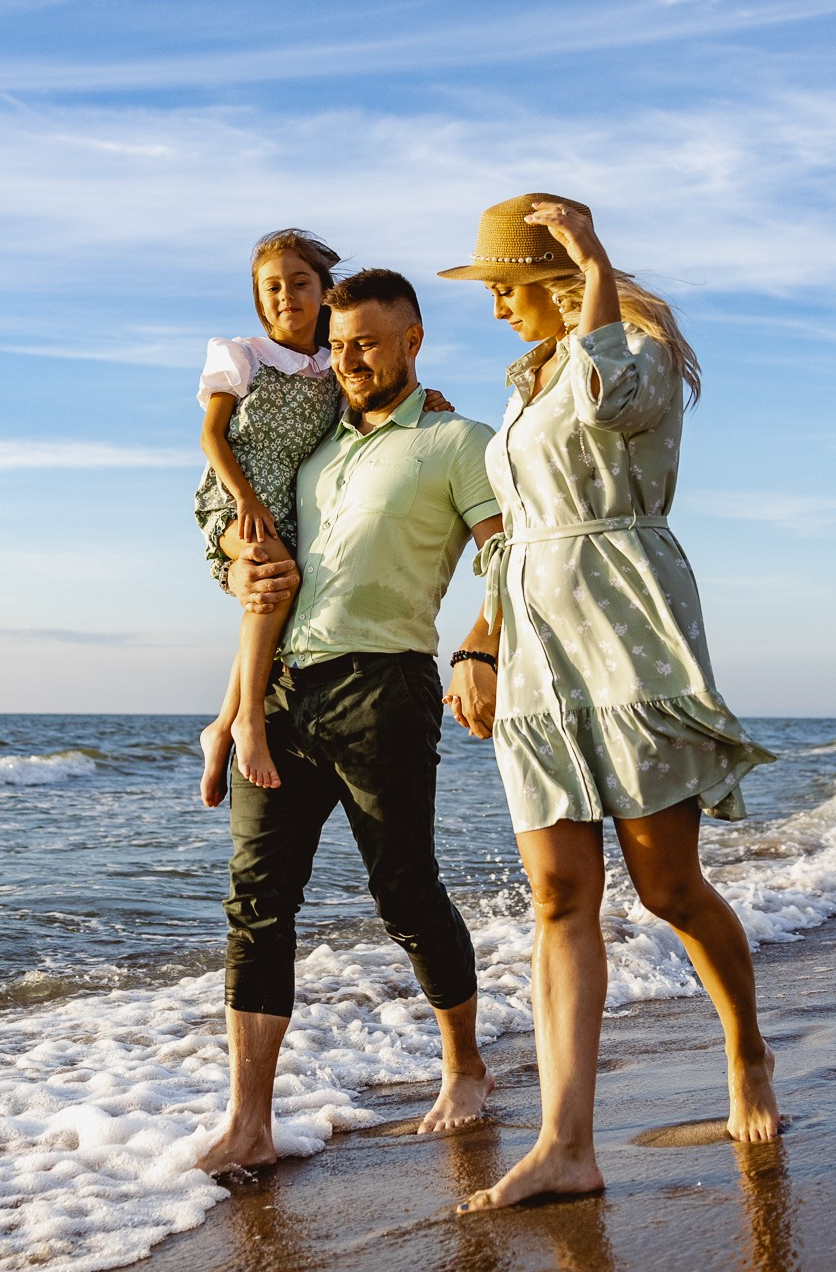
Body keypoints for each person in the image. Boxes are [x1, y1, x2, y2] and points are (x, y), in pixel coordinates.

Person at [438, 193, 781, 1213]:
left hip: (627, 630)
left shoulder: (629, 350)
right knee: (557, 897)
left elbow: (614, 408)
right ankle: (565, 1141)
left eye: (506, 286)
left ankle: (748, 1049)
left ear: (555, 277)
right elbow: (511, 533)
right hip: (537, 648)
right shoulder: (524, 379)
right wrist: (482, 641)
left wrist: (593, 266)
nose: (497, 306)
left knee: (666, 888)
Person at [196, 267, 507, 1175]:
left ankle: (467, 1071)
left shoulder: (458, 441)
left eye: (366, 343)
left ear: (413, 338)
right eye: (336, 347)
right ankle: (249, 1119)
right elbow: (262, 583)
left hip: (387, 688)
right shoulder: (312, 453)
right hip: (283, 695)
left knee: (405, 892)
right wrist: (231, 714)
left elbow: (508, 559)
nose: (349, 361)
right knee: (257, 905)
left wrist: (480, 648)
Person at [193, 230, 345, 807]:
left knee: (270, 603)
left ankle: (220, 723)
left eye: (300, 282)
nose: (287, 296)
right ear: (260, 298)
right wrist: (246, 501)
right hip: (233, 497)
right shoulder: (244, 354)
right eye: (272, 287)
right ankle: (247, 723)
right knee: (274, 575)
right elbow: (210, 437)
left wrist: (428, 399)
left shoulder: (335, 364)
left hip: (293, 508)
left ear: (324, 291)